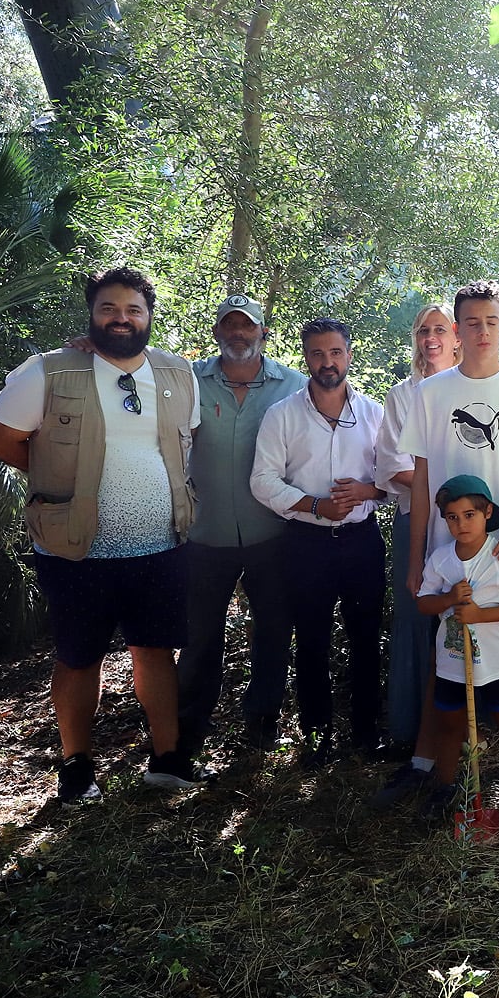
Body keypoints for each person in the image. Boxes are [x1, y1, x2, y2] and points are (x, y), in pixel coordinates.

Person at [0, 265, 203, 800]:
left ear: (150, 317)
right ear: (92, 314)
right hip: (74, 548)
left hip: (161, 543)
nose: (121, 319)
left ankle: (167, 759)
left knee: (155, 651)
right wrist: (57, 479)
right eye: (109, 308)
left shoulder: (178, 375)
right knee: (79, 656)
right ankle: (76, 766)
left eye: (133, 310)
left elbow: (182, 445)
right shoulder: (48, 372)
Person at [375, 280, 499, 807]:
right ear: (457, 332)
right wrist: (415, 561)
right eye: (471, 323)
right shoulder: (431, 394)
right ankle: (434, 764)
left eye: (491, 321)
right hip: (447, 554)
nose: (482, 331)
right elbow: (421, 477)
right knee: (448, 656)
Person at [250, 317, 387, 763]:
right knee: (311, 641)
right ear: (305, 356)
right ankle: (316, 739)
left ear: (349, 354)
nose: (327, 362)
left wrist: (368, 491)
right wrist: (313, 505)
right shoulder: (283, 415)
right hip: (305, 545)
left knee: (366, 638)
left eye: (335, 352)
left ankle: (367, 734)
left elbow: (399, 479)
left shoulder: (374, 414)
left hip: (363, 542)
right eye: (317, 353)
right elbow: (262, 481)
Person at [175, 294, 306, 757]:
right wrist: (90, 347)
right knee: (198, 637)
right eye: (229, 326)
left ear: (263, 333)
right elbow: (133, 375)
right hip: (203, 534)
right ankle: (186, 734)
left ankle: (260, 729)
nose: (238, 333)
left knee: (272, 632)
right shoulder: (188, 380)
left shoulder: (293, 385)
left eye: (246, 326)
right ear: (216, 334)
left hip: (271, 533)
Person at [417, 476, 499, 814]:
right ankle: (445, 786)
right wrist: (448, 599)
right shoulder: (441, 559)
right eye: (452, 517)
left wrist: (479, 616)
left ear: (488, 512)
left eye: (469, 515)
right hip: (452, 663)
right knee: (450, 724)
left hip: (498, 662)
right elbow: (423, 603)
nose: (461, 524)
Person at [376, 303, 460, 753]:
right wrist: (448, 494)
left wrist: (461, 507)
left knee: (464, 617)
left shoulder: (472, 390)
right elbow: (393, 466)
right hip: (417, 523)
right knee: (413, 618)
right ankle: (408, 732)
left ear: (457, 338)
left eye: (440, 329)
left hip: (467, 528)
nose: (431, 337)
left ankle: (466, 728)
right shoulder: (401, 396)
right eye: (423, 330)